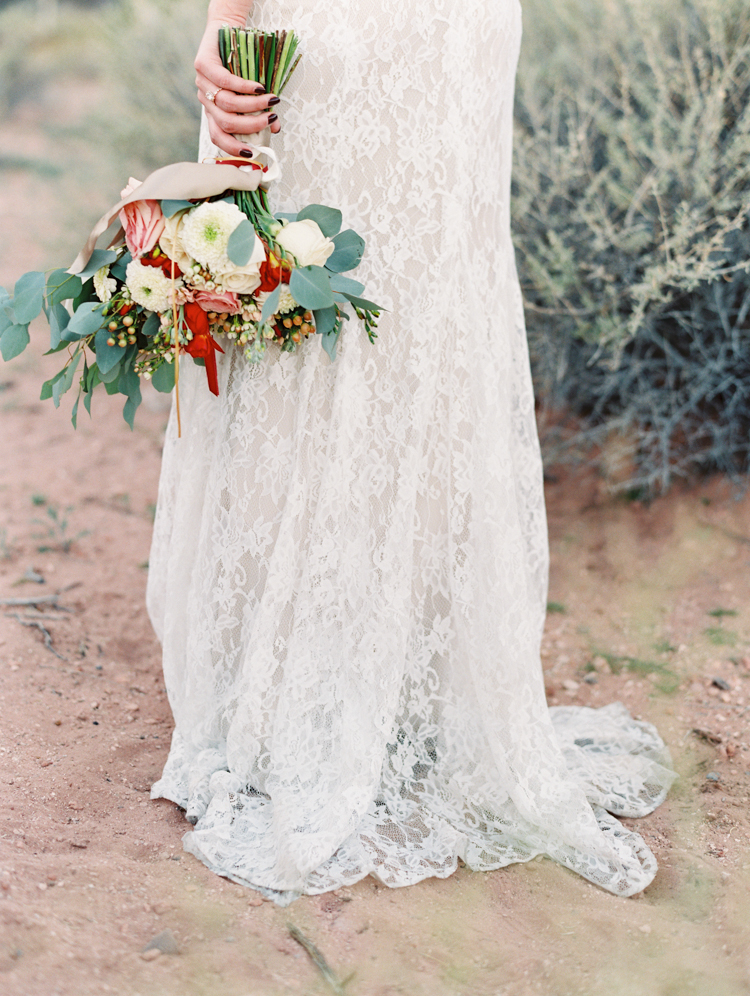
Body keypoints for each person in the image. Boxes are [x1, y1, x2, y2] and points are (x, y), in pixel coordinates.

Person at [147, 0, 675, 904]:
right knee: (313, 303)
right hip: (351, 34)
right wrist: (222, 21)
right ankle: (312, 677)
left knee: (415, 311)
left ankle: (380, 681)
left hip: (441, 42)